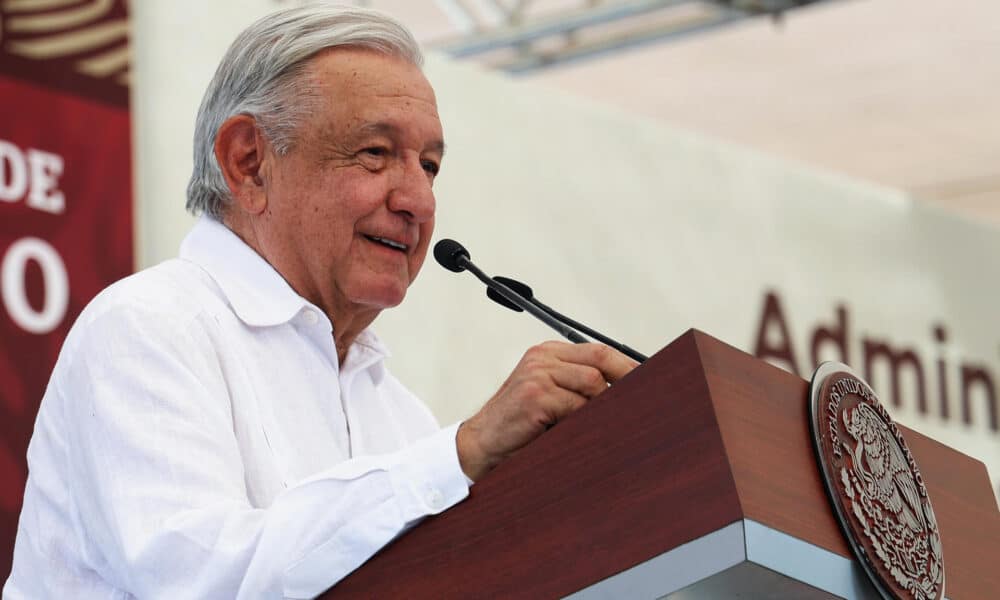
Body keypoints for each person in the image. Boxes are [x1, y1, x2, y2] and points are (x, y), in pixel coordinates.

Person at [4, 4, 635, 599]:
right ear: (249, 163)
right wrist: (461, 454)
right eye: (375, 154)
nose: (418, 199)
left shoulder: (402, 416)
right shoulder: (146, 328)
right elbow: (196, 581)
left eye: (431, 165)